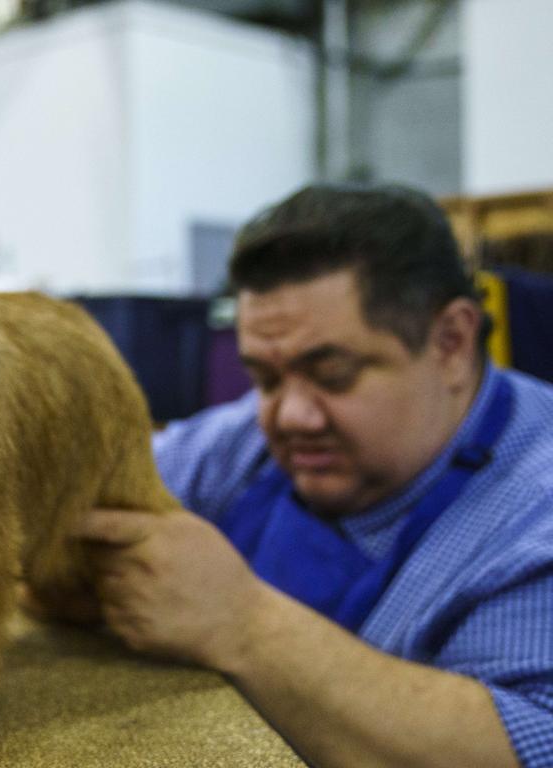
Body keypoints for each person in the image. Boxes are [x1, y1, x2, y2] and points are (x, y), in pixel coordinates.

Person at [75, 184, 553, 768]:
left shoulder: (537, 510)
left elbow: (529, 747)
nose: (290, 417)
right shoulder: (244, 443)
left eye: (333, 373)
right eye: (265, 379)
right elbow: (91, 485)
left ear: (450, 343)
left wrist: (242, 624)